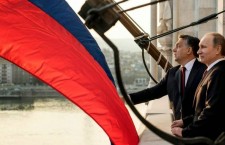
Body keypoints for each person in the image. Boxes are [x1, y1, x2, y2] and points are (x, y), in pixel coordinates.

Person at [129, 35, 206, 120]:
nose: (174, 50)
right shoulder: (172, 73)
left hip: (201, 129)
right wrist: (128, 98)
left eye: (179, 46)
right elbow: (153, 92)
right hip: (179, 129)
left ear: (189, 50)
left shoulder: (205, 71)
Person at [171, 32, 225, 142]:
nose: (198, 51)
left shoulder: (219, 73)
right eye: (199, 47)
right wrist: (185, 122)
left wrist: (185, 132)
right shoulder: (212, 71)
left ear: (218, 49)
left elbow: (212, 112)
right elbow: (204, 109)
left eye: (203, 47)